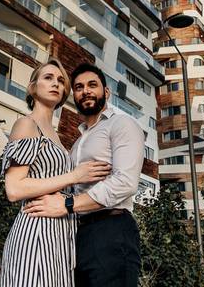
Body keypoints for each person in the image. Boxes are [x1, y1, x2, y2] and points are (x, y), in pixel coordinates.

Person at [25, 63, 145, 287]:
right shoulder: (77, 143)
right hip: (77, 234)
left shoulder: (122, 124)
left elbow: (125, 182)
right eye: (79, 87)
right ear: (74, 96)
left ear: (106, 93)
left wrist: (67, 204)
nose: (86, 91)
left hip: (113, 229)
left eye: (93, 85)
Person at [0, 59, 112, 287]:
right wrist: (75, 176)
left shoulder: (57, 137)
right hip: (35, 231)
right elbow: (14, 189)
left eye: (61, 80)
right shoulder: (26, 124)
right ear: (33, 87)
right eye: (48, 78)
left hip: (60, 236)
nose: (56, 84)